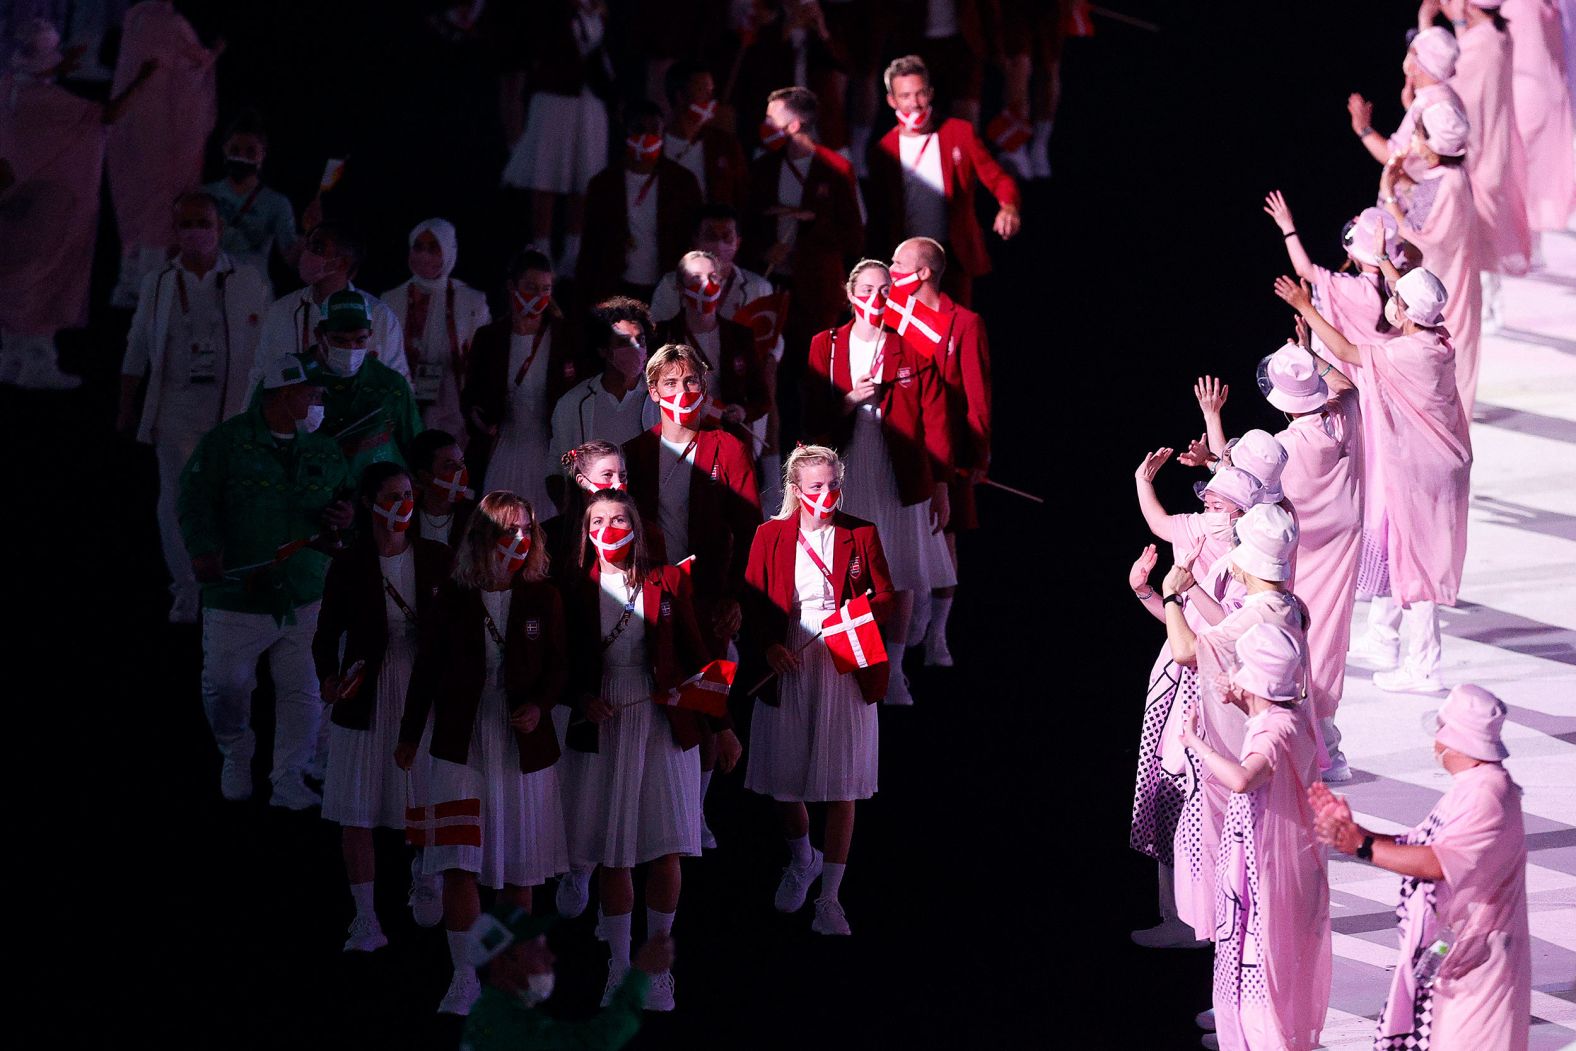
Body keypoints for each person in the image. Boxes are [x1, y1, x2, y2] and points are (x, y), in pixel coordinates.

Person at [556, 489, 740, 1011]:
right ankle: (617, 965)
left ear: (636, 524)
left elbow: (698, 655)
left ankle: (656, 969)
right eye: (599, 519)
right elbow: (560, 662)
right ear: (585, 529)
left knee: (664, 849)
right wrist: (581, 699)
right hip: (607, 720)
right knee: (614, 852)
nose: (609, 528)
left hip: (663, 718)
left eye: (619, 518)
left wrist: (722, 727)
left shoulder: (665, 580)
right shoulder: (573, 588)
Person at [398, 492, 570, 1016]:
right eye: (507, 530)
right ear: (482, 536)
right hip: (460, 739)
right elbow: (426, 669)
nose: (519, 540)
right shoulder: (453, 595)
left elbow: (560, 668)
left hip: (520, 743)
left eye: (527, 530)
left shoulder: (545, 597)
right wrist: (408, 735)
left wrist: (540, 707)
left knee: (520, 869)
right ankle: (462, 979)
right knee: (458, 862)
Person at [1275, 267, 1471, 695]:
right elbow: (1361, 369)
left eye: (1398, 300)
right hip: (1434, 467)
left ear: (1407, 313)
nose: (1392, 304)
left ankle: (1423, 667)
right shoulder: (1436, 341)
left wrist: (1304, 306)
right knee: (1399, 552)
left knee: (1418, 566)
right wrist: (1311, 354)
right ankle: (1387, 639)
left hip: (1423, 472)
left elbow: (1349, 349)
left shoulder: (1411, 353)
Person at [1311, 684, 1530, 1050]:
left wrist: (1361, 845)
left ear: (1458, 739)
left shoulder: (1486, 795)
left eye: (1442, 730)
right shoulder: (1472, 787)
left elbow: (1436, 862)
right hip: (1458, 951)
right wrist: (1357, 833)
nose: (1436, 742)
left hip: (1479, 957)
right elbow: (1423, 845)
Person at [178, 354, 353, 808]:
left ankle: (289, 778)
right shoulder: (225, 444)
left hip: (305, 591)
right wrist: (202, 551)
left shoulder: (323, 450)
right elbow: (194, 500)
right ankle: (235, 749)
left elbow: (343, 504)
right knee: (225, 684)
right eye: (310, 394)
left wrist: (344, 519)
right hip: (238, 595)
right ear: (282, 393)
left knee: (304, 691)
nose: (317, 402)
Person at [737, 444, 893, 935]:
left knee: (843, 783)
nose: (825, 495)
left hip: (845, 659)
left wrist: (858, 615)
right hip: (792, 657)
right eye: (815, 487)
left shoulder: (860, 531)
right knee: (785, 776)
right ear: (796, 490)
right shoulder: (769, 535)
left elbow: (886, 595)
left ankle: (830, 897)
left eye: (832, 485)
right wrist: (767, 649)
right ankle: (803, 857)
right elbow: (754, 603)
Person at [312, 463, 451, 952]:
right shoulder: (349, 564)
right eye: (392, 496)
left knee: (426, 793)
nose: (404, 504)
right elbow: (325, 637)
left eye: (409, 494)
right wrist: (330, 679)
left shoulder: (437, 558)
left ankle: (426, 875)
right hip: (366, 691)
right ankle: (366, 917)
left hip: (422, 691)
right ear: (370, 504)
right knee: (356, 807)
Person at [802, 260, 953, 706]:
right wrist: (848, 400)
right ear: (850, 295)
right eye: (866, 290)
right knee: (848, 567)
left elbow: (935, 422)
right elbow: (811, 415)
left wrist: (940, 485)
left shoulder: (910, 349)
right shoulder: (824, 346)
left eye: (885, 290)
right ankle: (851, 661)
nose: (875, 299)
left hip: (898, 473)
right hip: (846, 467)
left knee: (902, 568)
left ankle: (895, 667)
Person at [118, 191, 271, 623]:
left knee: (228, 497)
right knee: (178, 499)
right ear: (175, 230)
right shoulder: (159, 282)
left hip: (231, 409)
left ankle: (223, 584)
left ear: (219, 228)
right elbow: (135, 351)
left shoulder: (247, 278)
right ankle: (186, 588)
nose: (195, 231)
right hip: (175, 410)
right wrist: (125, 409)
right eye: (185, 224)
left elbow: (267, 348)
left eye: (202, 222)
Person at [1127, 458, 1261, 949]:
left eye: (1218, 502)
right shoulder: (1200, 543)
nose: (1206, 504)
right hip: (1179, 681)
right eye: (1208, 498)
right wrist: (1148, 591)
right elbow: (1178, 630)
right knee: (1169, 798)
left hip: (1206, 692)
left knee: (1195, 802)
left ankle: (1200, 920)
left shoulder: (1248, 575)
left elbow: (1204, 638)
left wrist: (1182, 591)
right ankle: (1180, 915)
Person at [1160, 502, 1308, 945]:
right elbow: (1227, 627)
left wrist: (1169, 594)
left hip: (1237, 752)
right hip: (1265, 746)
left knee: (1236, 871)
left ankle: (1228, 961)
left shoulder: (1260, 613)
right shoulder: (1290, 604)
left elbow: (1187, 650)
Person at [1180, 623, 1330, 1051]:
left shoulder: (1273, 731)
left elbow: (1244, 779)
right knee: (1267, 955)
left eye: (1243, 667)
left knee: (1263, 956)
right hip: (1279, 855)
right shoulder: (1287, 717)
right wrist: (1242, 697)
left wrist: (1196, 743)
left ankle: (1260, 1039)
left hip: (1269, 862)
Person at [0, 18, 157, 390]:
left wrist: (58, 66)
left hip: (13, 205)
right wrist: (144, 78)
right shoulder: (50, 101)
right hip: (46, 208)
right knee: (42, 282)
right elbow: (109, 114)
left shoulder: (7, 88)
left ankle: (12, 360)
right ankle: (37, 364)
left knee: (13, 281)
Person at [1258, 342, 1364, 782]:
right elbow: (1347, 384)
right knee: (1330, 639)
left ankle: (1316, 751)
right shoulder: (1343, 413)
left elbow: (1247, 480)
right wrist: (1311, 358)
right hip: (1342, 544)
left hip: (1304, 554)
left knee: (1301, 641)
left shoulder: (1283, 445)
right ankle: (1329, 750)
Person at [889, 237, 991, 668]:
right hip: (896, 441)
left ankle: (938, 634)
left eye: (898, 263)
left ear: (924, 272)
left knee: (944, 537)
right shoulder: (889, 310)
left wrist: (979, 455)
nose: (890, 269)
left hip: (945, 449)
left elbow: (977, 395)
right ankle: (901, 630)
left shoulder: (964, 322)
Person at [743, 85, 864, 419]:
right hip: (772, 288)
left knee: (815, 374)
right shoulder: (764, 166)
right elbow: (748, 224)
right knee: (770, 373)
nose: (765, 124)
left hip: (818, 290)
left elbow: (853, 236)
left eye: (772, 117)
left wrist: (812, 224)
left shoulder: (836, 167)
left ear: (794, 124)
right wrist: (766, 251)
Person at [866, 55, 1021, 306]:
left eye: (920, 93)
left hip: (953, 257)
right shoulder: (884, 150)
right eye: (905, 96)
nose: (915, 103)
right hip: (907, 262)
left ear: (930, 93)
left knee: (956, 333)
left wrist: (1009, 206)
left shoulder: (959, 133)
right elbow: (879, 217)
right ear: (891, 100)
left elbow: (998, 178)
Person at [105, 0, 220, 307]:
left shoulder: (136, 18)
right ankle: (152, 292)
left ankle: (132, 282)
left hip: (134, 131)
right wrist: (213, 56)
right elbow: (194, 64)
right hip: (166, 133)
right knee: (159, 209)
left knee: (137, 206)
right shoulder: (168, 24)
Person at [1377, 101, 1484, 419]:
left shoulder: (1448, 183)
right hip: (1449, 271)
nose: (1415, 142)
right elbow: (1428, 203)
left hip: (1445, 276)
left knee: (1445, 345)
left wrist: (1390, 193)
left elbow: (1422, 234)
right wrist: (1404, 184)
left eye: (1420, 135)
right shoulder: (1448, 175)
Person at [499, 0, 613, 275]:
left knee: (584, 177)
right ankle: (542, 250)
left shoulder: (599, 11)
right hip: (554, 99)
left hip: (589, 101)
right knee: (546, 177)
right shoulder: (550, 12)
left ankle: (573, 253)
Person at [459, 905, 675, 1050]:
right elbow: (590, 1043)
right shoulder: (502, 1025)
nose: (551, 957)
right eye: (537, 948)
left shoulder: (494, 1015)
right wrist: (641, 973)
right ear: (502, 961)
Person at [464, 249, 583, 507]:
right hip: (503, 450)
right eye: (530, 287)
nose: (538, 297)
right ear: (511, 286)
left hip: (550, 451)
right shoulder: (489, 337)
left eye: (545, 289)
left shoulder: (565, 338)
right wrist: (480, 420)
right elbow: (470, 396)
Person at [1436, 0, 1533, 310]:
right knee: (1489, 217)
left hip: (1482, 145)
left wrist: (1435, 21)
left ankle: (1488, 300)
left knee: (1480, 225)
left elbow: (1448, 76)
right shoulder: (1499, 35)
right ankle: (1489, 297)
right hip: (1496, 139)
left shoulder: (1483, 42)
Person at [577, 102, 704, 304]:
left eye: (655, 130)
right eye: (639, 129)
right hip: (617, 289)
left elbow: (695, 239)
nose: (647, 137)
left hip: (668, 288)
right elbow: (591, 246)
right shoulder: (604, 184)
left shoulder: (682, 182)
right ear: (624, 132)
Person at [253, 222, 409, 385]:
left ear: (342, 263)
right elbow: (260, 374)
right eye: (308, 247)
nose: (307, 255)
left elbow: (398, 384)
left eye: (318, 249)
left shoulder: (379, 316)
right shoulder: (281, 310)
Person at [383, 218, 492, 438]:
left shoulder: (472, 302)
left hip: (455, 408)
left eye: (433, 248)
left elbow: (484, 358)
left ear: (448, 250)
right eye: (419, 247)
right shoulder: (390, 301)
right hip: (404, 405)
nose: (424, 255)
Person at [309, 290, 425, 482]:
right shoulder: (292, 380)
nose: (351, 348)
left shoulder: (390, 385)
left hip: (376, 501)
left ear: (370, 335)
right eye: (340, 340)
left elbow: (417, 447)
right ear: (320, 335)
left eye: (360, 339)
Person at [653, 251, 770, 428]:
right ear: (679, 286)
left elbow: (761, 398)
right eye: (695, 278)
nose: (706, 285)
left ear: (722, 283)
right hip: (677, 435)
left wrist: (742, 411)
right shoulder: (661, 335)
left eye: (713, 277)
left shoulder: (740, 336)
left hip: (725, 436)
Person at [1501, 0, 1576, 258]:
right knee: (1533, 169)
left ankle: (1528, 245)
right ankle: (1531, 243)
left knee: (1523, 169)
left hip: (1529, 88)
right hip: (1548, 87)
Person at [547, 297, 661, 468]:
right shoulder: (572, 404)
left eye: (640, 340)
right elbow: (556, 471)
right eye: (624, 342)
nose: (636, 348)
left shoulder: (664, 399)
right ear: (603, 350)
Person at [203, 112, 305, 288]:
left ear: (262, 154)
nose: (242, 157)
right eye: (235, 150)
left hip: (253, 288)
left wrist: (310, 230)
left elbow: (292, 258)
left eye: (250, 151)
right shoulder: (204, 195)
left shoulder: (276, 203)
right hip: (209, 285)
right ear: (224, 149)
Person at [662, 59, 749, 210]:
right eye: (703, 91)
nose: (710, 100)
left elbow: (743, 198)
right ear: (680, 97)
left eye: (711, 92)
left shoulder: (725, 145)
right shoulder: (656, 147)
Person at [408, 428, 474, 546]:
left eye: (461, 462)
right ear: (424, 475)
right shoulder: (407, 518)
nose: (460, 470)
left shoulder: (475, 515)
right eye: (449, 465)